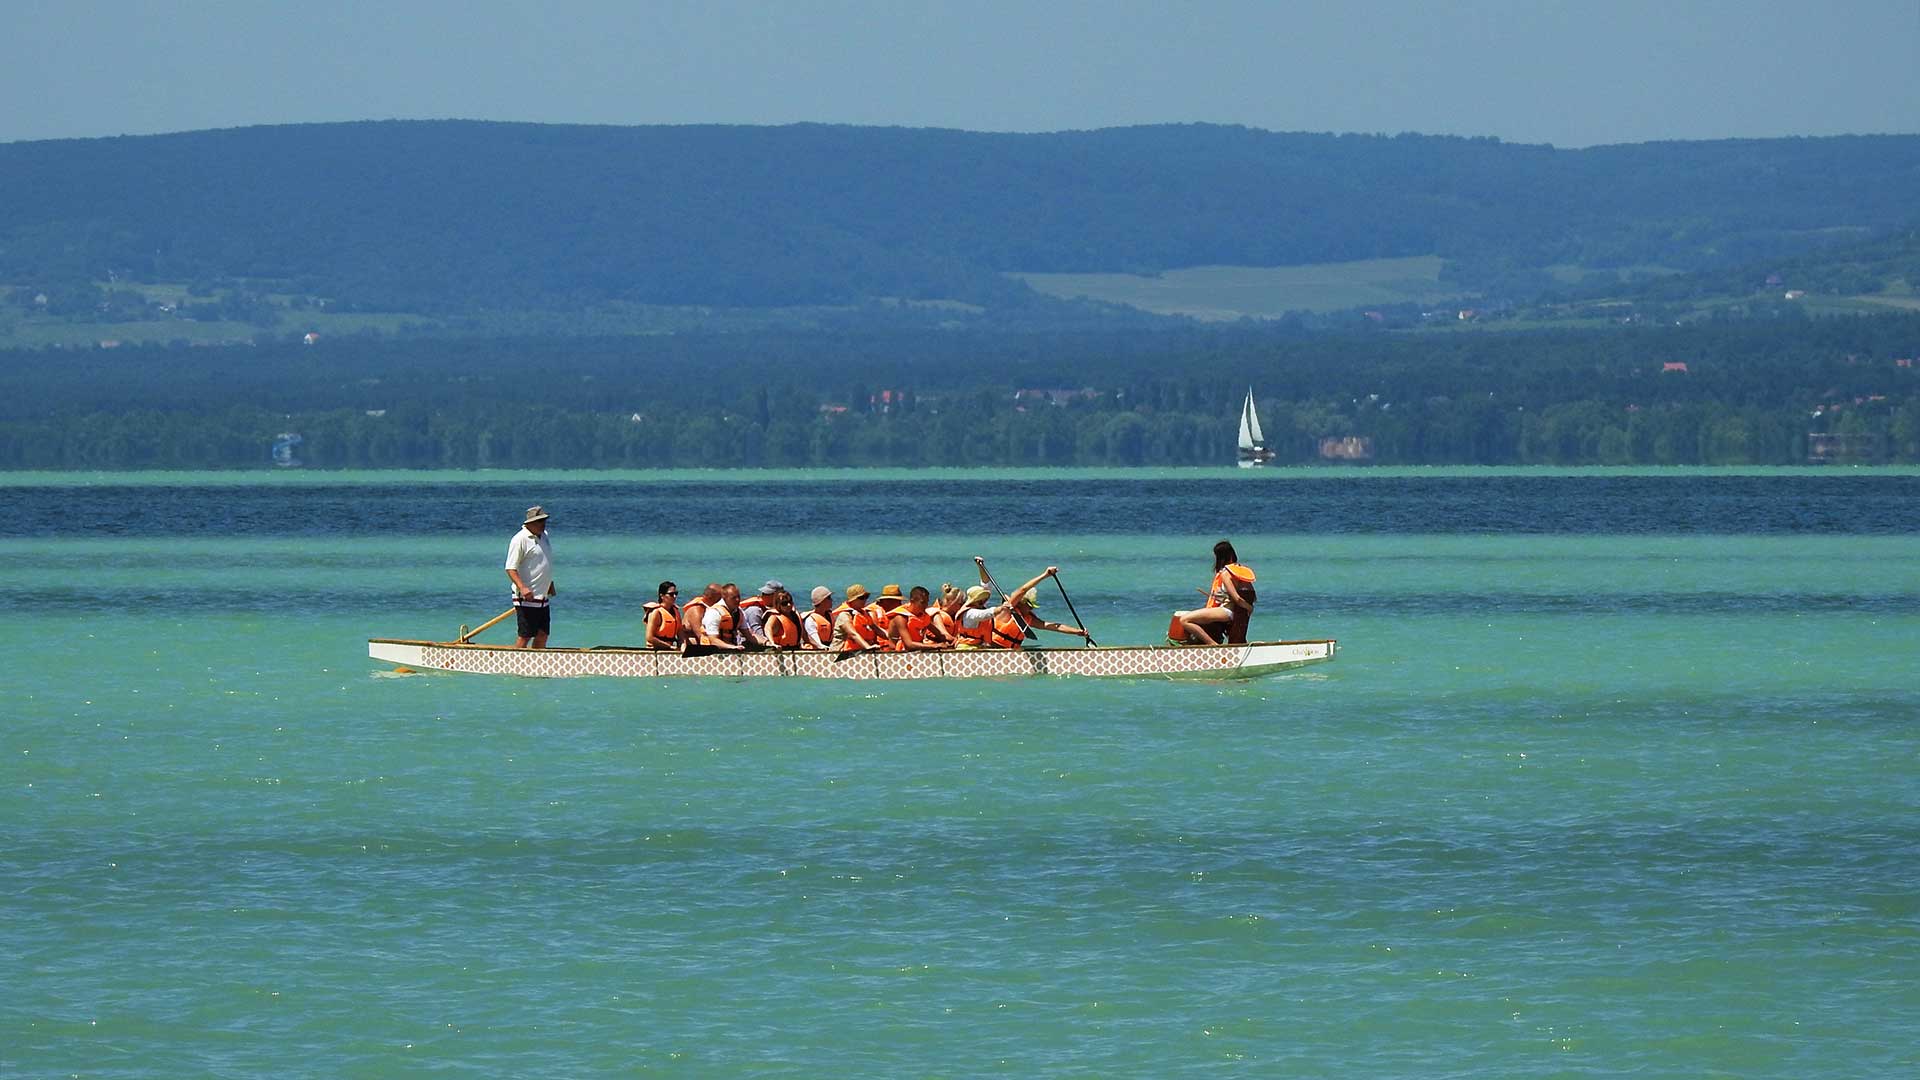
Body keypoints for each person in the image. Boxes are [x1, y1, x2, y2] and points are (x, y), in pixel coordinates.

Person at [970, 559, 1089, 649]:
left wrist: (1077, 632)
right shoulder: (1005, 610)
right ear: (1021, 603)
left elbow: (1052, 626)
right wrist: (1045, 575)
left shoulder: (1028, 618)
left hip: (1010, 652)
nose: (1031, 609)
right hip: (992, 649)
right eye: (1029, 606)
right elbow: (1023, 590)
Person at [1171, 539, 1257, 645]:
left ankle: (1213, 645)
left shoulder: (1226, 573)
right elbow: (1243, 594)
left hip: (1227, 612)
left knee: (1184, 620)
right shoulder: (1239, 570)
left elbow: (1237, 598)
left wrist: (1249, 608)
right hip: (1231, 611)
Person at [504, 505, 556, 648]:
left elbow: (544, 561)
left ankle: (537, 665)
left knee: (542, 634)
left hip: (542, 596)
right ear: (530, 523)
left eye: (544, 520)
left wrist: (549, 584)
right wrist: (523, 588)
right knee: (525, 635)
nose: (543, 524)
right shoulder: (519, 539)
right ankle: (515, 664)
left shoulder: (544, 535)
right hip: (526, 597)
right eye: (540, 521)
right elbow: (510, 568)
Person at [882, 585, 951, 651]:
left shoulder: (922, 615)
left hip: (915, 653)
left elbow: (940, 635)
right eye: (922, 602)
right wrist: (936, 646)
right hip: (896, 655)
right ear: (912, 600)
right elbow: (909, 644)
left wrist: (954, 640)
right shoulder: (900, 618)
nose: (926, 605)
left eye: (927, 602)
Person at [830, 583, 882, 651]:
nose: (864, 600)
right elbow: (853, 634)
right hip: (840, 654)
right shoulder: (844, 615)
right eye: (861, 598)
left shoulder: (865, 614)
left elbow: (877, 629)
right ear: (852, 600)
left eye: (866, 597)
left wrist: (894, 638)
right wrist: (867, 647)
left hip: (857, 653)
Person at [738, 579, 783, 649]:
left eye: (766, 594)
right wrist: (770, 643)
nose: (763, 596)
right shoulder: (754, 611)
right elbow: (757, 634)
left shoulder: (781, 609)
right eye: (763, 593)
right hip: (752, 647)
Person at [701, 582, 745, 650]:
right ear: (724, 597)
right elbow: (713, 641)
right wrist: (732, 647)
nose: (738, 600)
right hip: (710, 652)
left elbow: (750, 635)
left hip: (731, 649)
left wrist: (766, 642)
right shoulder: (714, 613)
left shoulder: (739, 612)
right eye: (733, 598)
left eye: (738, 596)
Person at [680, 584, 721, 649]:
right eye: (720, 599)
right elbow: (701, 636)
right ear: (710, 597)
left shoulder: (713, 610)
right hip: (691, 647)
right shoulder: (696, 610)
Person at [643, 581, 680, 650]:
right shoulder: (656, 612)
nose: (674, 596)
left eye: (676, 593)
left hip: (670, 649)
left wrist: (683, 645)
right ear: (662, 596)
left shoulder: (676, 611)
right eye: (671, 594)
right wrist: (669, 647)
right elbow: (649, 637)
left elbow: (681, 633)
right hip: (655, 650)